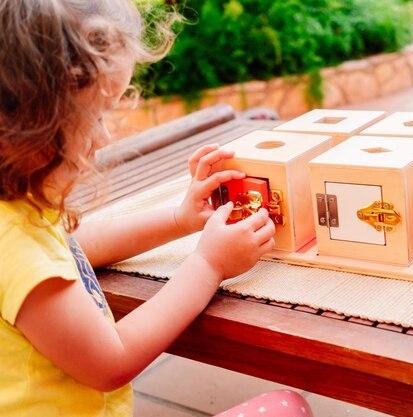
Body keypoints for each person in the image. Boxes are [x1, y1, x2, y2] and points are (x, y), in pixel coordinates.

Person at [0, 1, 313, 416]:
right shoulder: (17, 249)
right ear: (30, 129)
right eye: (94, 118)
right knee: (287, 407)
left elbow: (76, 245)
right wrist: (209, 265)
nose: (105, 136)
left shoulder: (17, 209)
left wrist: (180, 220)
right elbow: (113, 360)